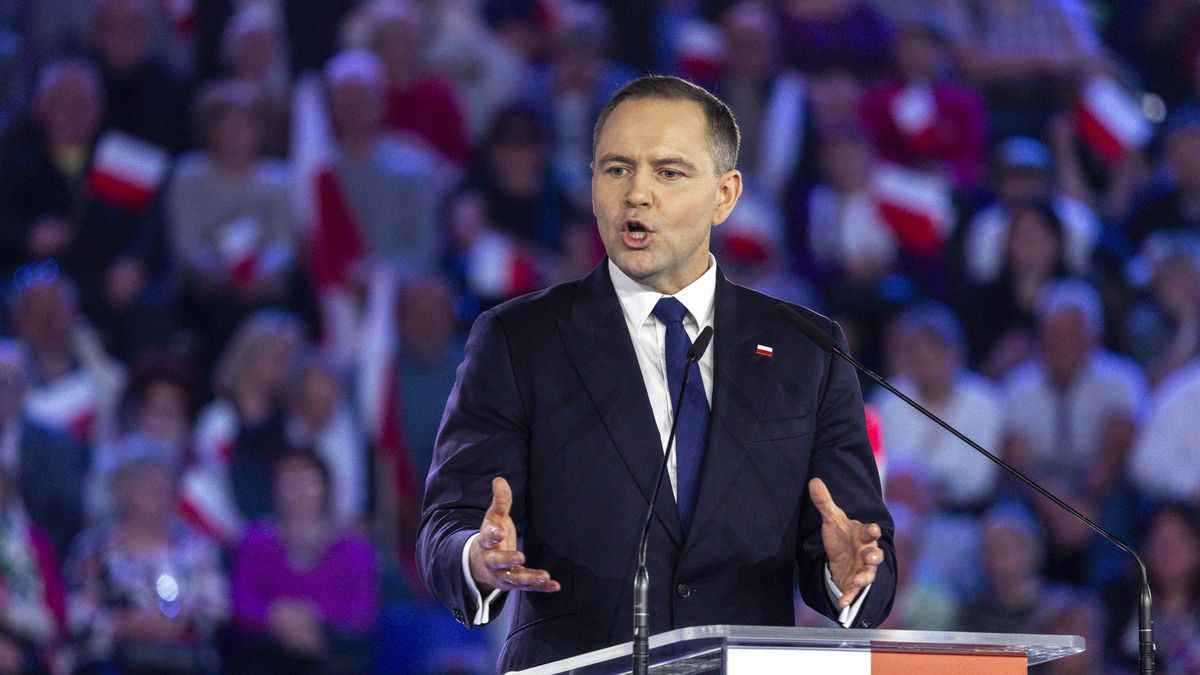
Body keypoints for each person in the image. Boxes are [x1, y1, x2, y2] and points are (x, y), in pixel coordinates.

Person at [419, 75, 896, 671]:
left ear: (725, 195)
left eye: (668, 172)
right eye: (616, 169)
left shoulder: (807, 350)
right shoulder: (519, 340)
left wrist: (845, 573)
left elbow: (859, 542)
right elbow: (451, 521)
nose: (637, 194)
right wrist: (476, 556)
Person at [231, 452, 379, 674]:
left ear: (326, 488)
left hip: (335, 653)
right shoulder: (256, 541)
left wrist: (312, 615)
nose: (300, 492)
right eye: (289, 483)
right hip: (266, 653)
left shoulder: (352, 547)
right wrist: (276, 616)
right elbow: (240, 601)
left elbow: (362, 608)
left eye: (309, 481)